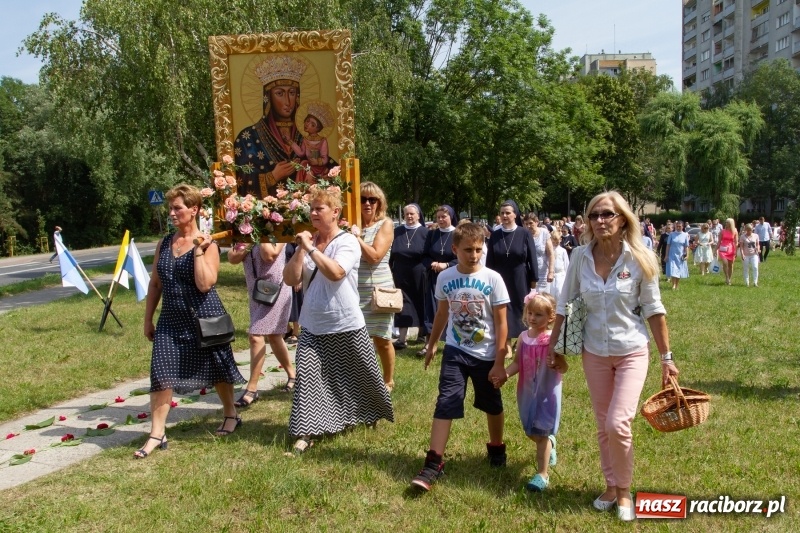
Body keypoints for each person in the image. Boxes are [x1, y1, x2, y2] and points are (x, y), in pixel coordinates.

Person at [548, 191, 679, 522]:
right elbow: (564, 304)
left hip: (632, 351)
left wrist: (667, 358)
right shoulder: (579, 256)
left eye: (607, 214)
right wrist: (555, 348)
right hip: (594, 353)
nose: (600, 221)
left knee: (618, 423)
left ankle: (623, 492)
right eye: (594, 215)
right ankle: (610, 485)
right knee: (604, 426)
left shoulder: (639, 257)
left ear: (622, 219)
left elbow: (653, 308)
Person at [283, 188, 394, 452]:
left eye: (319, 208)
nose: (313, 213)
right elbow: (290, 279)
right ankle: (307, 431)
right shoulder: (308, 244)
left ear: (335, 212)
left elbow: (336, 272)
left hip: (345, 321)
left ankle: (368, 414)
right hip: (312, 323)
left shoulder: (347, 242)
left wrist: (310, 249)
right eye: (311, 209)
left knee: (359, 376)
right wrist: (301, 250)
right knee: (309, 378)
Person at [139, 184, 245, 458]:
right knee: (161, 373)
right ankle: (157, 433)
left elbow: (205, 283)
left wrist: (198, 251)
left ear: (194, 209)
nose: (172, 213)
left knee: (218, 368)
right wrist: (148, 319)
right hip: (170, 319)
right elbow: (155, 284)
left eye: (178, 208)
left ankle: (230, 413)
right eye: (170, 208)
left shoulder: (209, 244)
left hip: (203, 318)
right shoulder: (164, 243)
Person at [411, 223, 510, 491]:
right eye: (468, 250)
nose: (474, 255)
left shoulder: (493, 279)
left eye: (479, 249)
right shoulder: (445, 278)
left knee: (492, 403)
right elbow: (442, 314)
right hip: (455, 351)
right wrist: (432, 344)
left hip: (486, 353)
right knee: (447, 400)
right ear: (454, 249)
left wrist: (500, 361)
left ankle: (497, 447)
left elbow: (502, 324)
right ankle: (433, 463)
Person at [234, 55, 336, 197]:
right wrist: (272, 176)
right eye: (280, 93)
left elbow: (333, 171)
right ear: (268, 97)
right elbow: (239, 179)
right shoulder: (248, 138)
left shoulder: (307, 136)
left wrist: (323, 176)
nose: (288, 101)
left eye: (292, 93)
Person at [502, 291, 566, 491]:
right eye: (530, 313)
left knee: (541, 433)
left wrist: (556, 363)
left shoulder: (552, 340)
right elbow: (516, 364)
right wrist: (504, 375)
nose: (532, 318)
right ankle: (550, 444)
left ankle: (542, 474)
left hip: (547, 393)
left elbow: (564, 367)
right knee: (530, 430)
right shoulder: (522, 338)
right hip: (527, 392)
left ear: (551, 317)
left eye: (538, 314)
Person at [227, 241, 297, 405]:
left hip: (275, 290)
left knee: (255, 335)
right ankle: (293, 375)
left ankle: (252, 389)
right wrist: (250, 238)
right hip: (257, 292)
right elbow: (232, 258)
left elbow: (269, 255)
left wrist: (262, 232)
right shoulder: (249, 234)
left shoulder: (278, 233)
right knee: (274, 336)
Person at [351, 181, 397, 391]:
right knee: (357, 340)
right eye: (362, 199)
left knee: (382, 339)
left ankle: (388, 381)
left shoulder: (385, 224)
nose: (367, 203)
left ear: (380, 203)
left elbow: (375, 256)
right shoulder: (352, 224)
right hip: (353, 290)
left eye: (372, 199)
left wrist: (357, 239)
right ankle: (362, 382)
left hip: (378, 291)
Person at [486, 200, 538, 354]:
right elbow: (490, 261)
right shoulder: (495, 235)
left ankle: (524, 342)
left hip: (520, 278)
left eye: (508, 212)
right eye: (502, 213)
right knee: (503, 309)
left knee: (521, 310)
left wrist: (533, 282)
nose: (504, 215)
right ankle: (506, 345)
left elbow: (532, 258)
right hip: (500, 278)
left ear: (515, 214)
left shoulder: (524, 233)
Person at [389, 204, 429, 350]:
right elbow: (392, 252)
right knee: (402, 304)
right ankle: (402, 338)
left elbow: (428, 254)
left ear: (418, 215)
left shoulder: (425, 232)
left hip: (419, 272)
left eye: (412, 214)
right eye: (407, 214)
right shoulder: (398, 231)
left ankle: (422, 334)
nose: (409, 217)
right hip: (400, 271)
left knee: (421, 302)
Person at [421, 205, 458, 357]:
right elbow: (424, 255)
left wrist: (447, 265)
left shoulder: (458, 234)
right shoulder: (432, 234)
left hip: (454, 277)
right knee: (432, 309)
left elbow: (461, 257)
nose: (441, 219)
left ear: (451, 217)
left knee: (453, 309)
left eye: (444, 216)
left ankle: (454, 342)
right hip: (434, 277)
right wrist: (432, 263)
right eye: (439, 217)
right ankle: (429, 343)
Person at [523, 214, 554, 294]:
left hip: (542, 273)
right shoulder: (524, 235)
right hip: (528, 273)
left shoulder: (544, 233)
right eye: (526, 224)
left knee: (542, 299)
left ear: (536, 222)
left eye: (530, 223)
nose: (528, 226)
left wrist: (551, 272)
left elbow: (551, 254)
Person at [665, 221, 690, 290]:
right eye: (677, 226)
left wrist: (687, 255)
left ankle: (677, 284)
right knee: (673, 269)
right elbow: (668, 245)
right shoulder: (672, 234)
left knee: (679, 270)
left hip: (680, 255)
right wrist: (666, 255)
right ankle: (673, 284)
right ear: (675, 226)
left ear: (682, 227)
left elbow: (686, 246)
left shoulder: (685, 235)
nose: (678, 228)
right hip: (672, 255)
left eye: (680, 226)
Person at [550, 230, 569, 304]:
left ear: (560, 240)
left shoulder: (563, 250)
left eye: (557, 241)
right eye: (554, 240)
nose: (555, 243)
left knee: (559, 292)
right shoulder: (549, 249)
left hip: (561, 275)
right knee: (551, 294)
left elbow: (567, 264)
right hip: (552, 275)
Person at [718, 218, 738, 285]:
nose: (726, 223)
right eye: (726, 222)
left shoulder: (735, 231)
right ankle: (726, 277)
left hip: (731, 249)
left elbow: (736, 242)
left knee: (731, 265)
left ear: (731, 223)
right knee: (725, 263)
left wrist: (735, 250)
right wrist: (715, 250)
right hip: (723, 249)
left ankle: (729, 279)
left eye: (727, 222)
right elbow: (719, 242)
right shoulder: (722, 231)